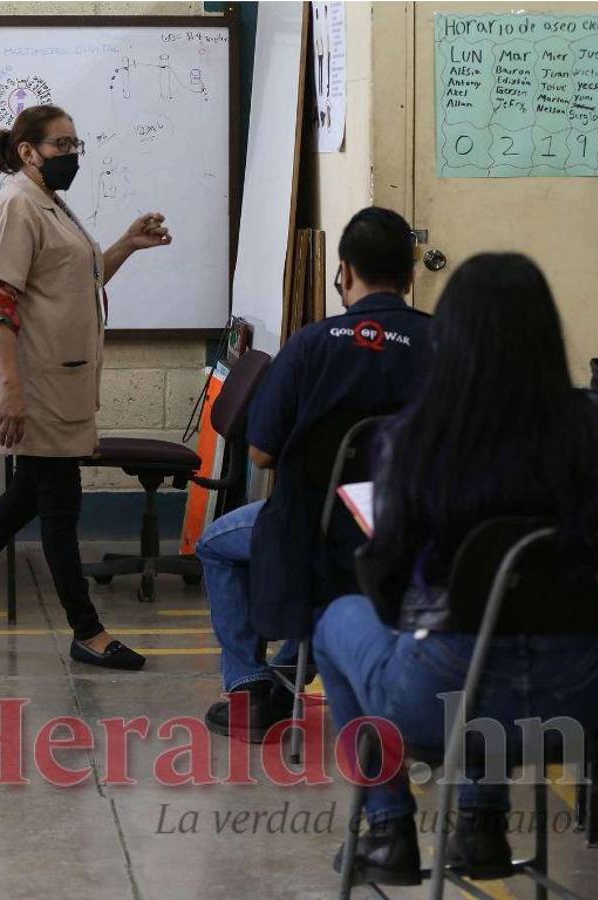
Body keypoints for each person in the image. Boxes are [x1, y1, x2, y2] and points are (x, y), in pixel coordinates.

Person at [313, 253, 598, 884]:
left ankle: (389, 829)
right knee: (505, 620)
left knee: (338, 621)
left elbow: (390, 595)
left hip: (445, 702)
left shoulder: (415, 435)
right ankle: (480, 826)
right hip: (583, 698)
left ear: (449, 335)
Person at [0, 103, 171, 670]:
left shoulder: (50, 203)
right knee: (60, 506)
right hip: (39, 384)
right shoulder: (15, 207)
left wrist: (125, 244)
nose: (71, 155)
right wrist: (9, 391)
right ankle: (88, 630)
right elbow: (0, 306)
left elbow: (76, 278)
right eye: (61, 145)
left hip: (62, 379)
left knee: (23, 500)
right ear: (28, 152)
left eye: (76, 145)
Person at [197, 208, 432, 741]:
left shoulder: (310, 345)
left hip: (311, 529)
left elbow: (259, 454)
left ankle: (253, 688)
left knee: (215, 545)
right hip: (409, 536)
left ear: (344, 273)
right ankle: (291, 673)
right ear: (411, 275)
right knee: (341, 567)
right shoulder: (443, 345)